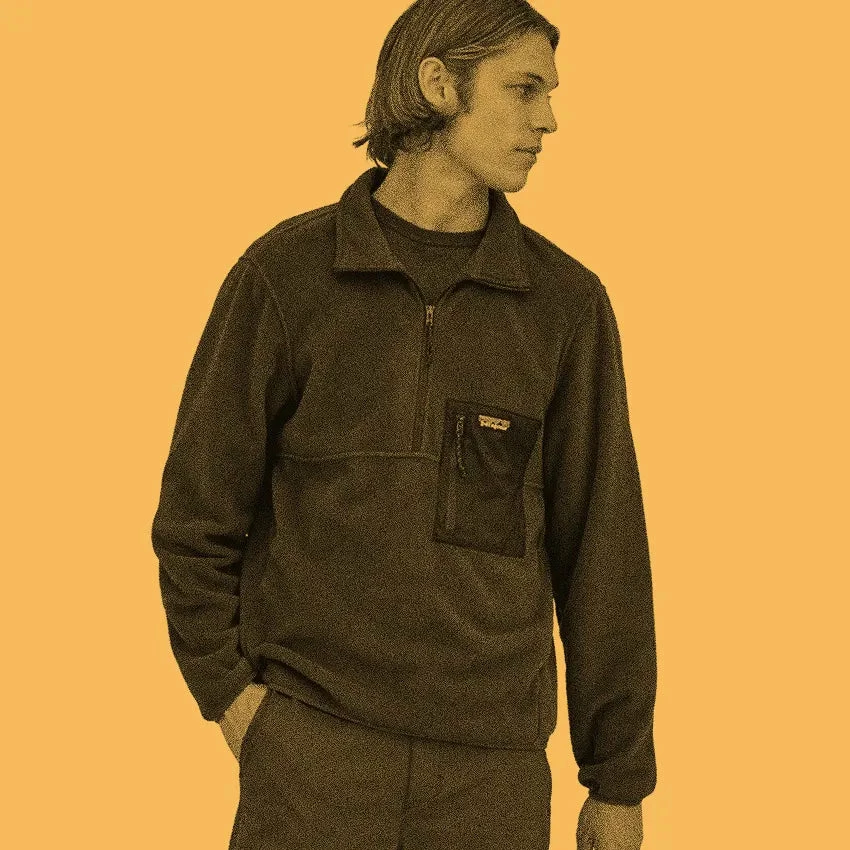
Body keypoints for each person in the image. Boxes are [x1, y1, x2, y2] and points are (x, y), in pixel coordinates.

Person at [151, 1, 657, 848]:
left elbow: (604, 553)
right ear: (438, 84)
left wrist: (619, 778)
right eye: (524, 89)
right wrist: (239, 706)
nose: (549, 120)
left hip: (491, 779)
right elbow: (196, 519)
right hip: (311, 758)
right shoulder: (285, 277)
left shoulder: (565, 306)